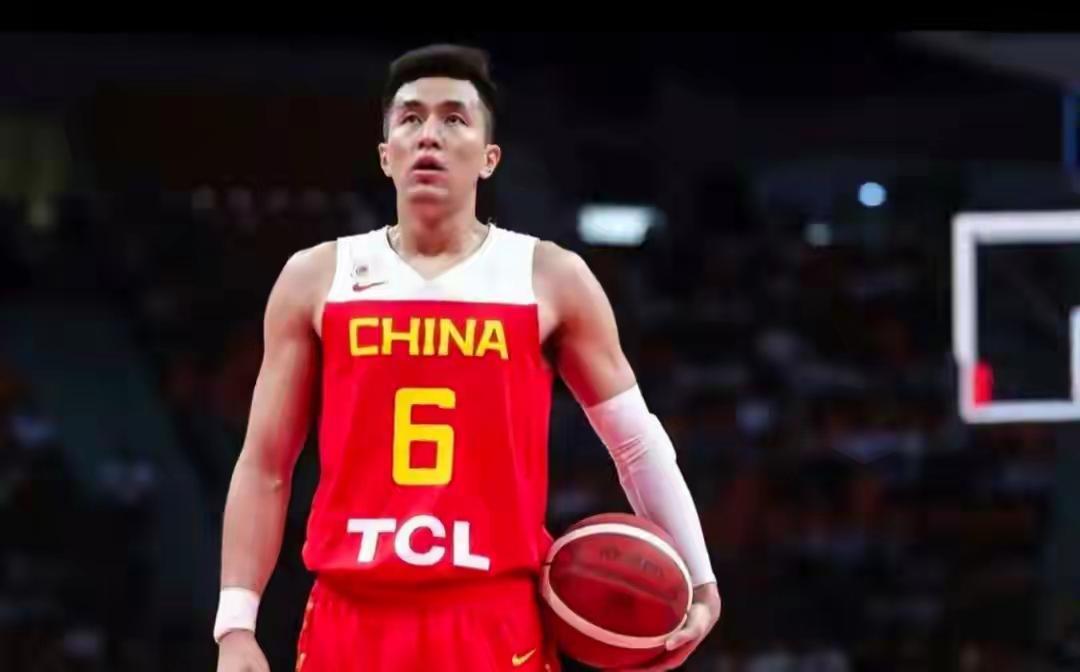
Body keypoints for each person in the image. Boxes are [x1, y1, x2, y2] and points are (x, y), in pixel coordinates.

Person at [214, 43, 721, 672]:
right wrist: (235, 626)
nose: (430, 134)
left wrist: (701, 582)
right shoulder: (316, 277)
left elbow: (636, 443)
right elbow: (266, 462)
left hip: (494, 615)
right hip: (351, 611)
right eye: (410, 118)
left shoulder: (550, 276)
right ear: (386, 154)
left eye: (454, 118)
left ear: (489, 157)